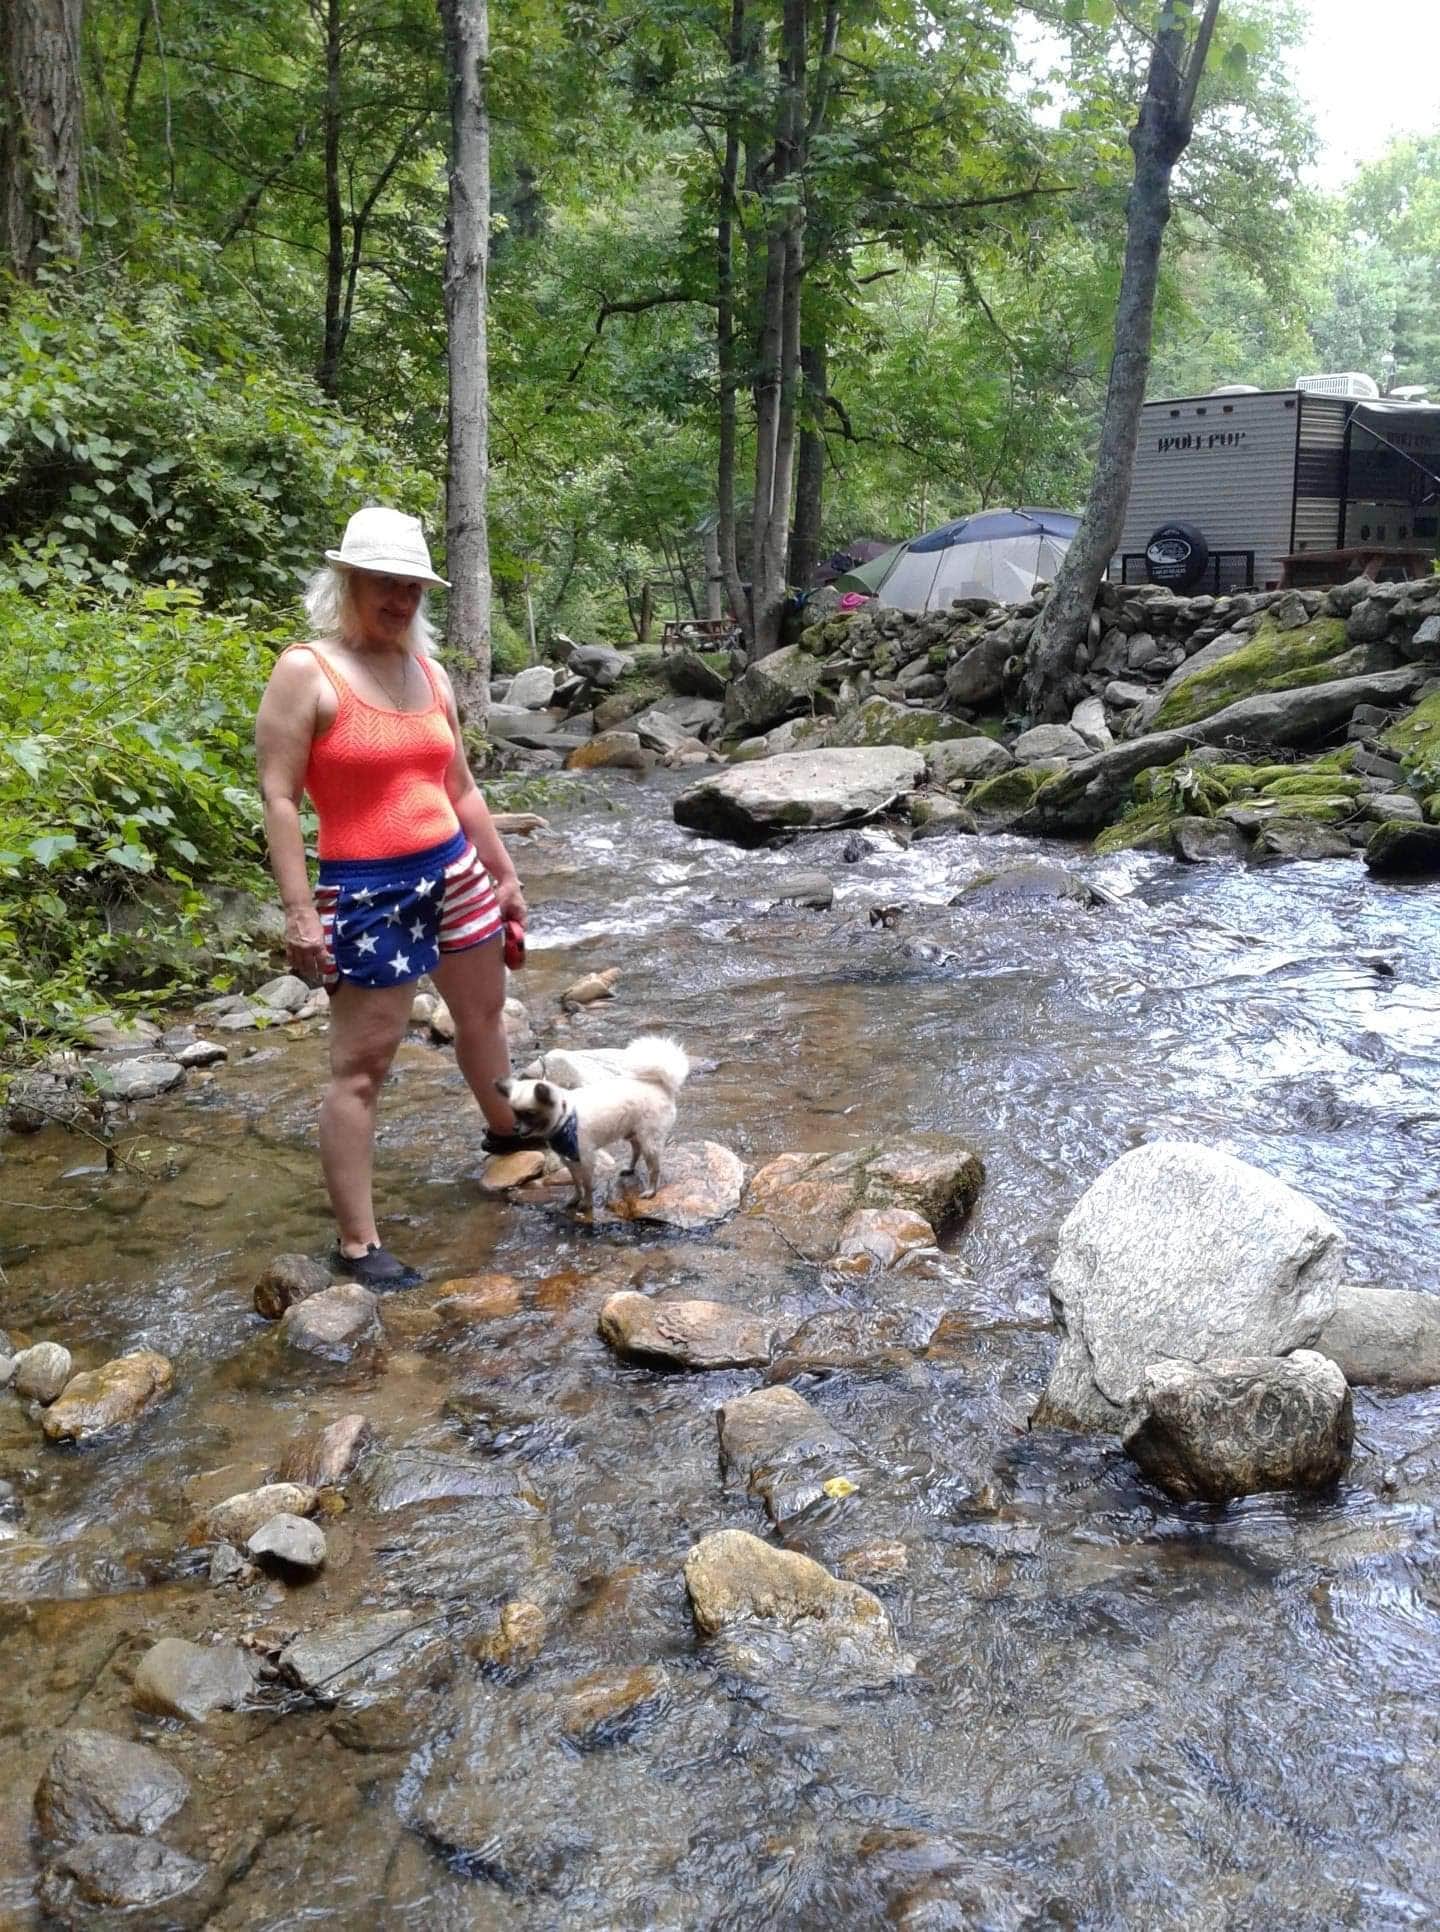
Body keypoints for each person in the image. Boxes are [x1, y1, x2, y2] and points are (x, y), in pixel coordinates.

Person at [255, 506, 531, 1288]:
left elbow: (461, 787)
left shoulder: (431, 674)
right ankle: (357, 1245)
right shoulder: (307, 671)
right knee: (361, 1069)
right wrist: (300, 913)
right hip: (367, 895)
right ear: (346, 582)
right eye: (384, 582)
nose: (400, 599)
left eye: (412, 587)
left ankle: (508, 1133)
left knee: (482, 1016)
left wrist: (503, 873)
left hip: (455, 872)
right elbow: (280, 799)